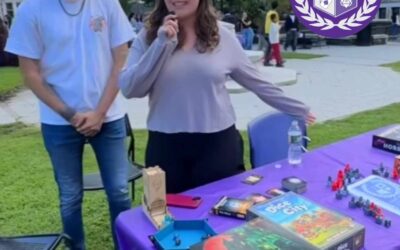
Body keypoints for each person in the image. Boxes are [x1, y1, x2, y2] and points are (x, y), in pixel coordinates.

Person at [119, 0, 316, 193]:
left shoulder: (222, 36)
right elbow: (130, 89)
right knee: (170, 217)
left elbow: (257, 82)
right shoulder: (148, 36)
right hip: (166, 147)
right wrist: (161, 44)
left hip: (217, 145)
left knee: (223, 216)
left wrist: (298, 108)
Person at [5, 0, 134, 249]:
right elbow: (30, 73)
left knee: (118, 192)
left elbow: (121, 61)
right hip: (58, 121)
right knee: (70, 197)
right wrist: (71, 115)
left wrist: (99, 112)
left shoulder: (107, 4)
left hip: (108, 115)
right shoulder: (31, 9)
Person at [264, 1, 279, 66]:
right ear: (277, 6)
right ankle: (267, 61)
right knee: (272, 47)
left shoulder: (268, 13)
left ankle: (268, 60)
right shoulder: (274, 13)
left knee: (270, 47)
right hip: (272, 32)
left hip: (268, 31)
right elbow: (275, 22)